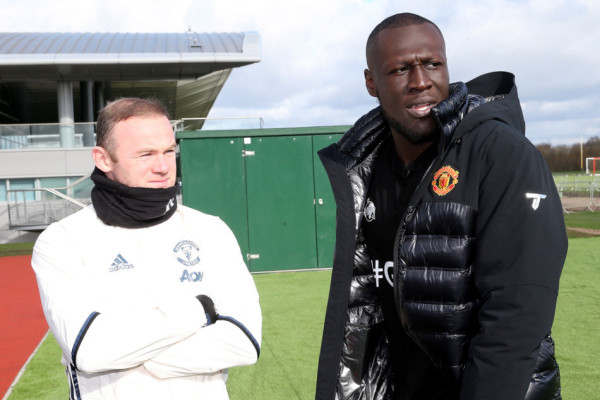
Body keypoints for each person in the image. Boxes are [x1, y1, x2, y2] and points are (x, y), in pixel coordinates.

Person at [315, 13, 566, 400]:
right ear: (371, 82)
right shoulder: (365, 167)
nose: (421, 81)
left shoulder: (501, 153)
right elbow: (366, 309)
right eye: (400, 69)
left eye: (432, 64)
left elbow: (517, 316)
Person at [31, 98, 262, 400]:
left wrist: (141, 360)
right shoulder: (62, 240)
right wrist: (200, 310)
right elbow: (90, 350)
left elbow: (243, 341)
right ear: (103, 159)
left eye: (169, 151)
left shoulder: (210, 229)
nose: (163, 167)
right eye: (146, 154)